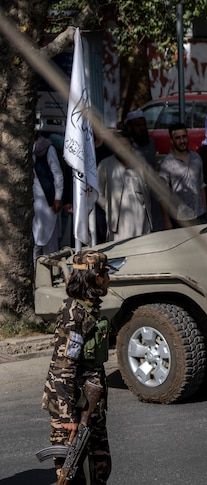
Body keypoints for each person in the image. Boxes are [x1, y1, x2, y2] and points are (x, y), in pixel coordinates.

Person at [42, 250, 113, 484]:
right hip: (72, 407)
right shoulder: (74, 314)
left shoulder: (89, 308)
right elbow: (63, 368)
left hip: (89, 405)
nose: (109, 279)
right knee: (70, 473)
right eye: (105, 274)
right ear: (93, 277)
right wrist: (68, 416)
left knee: (101, 467)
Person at [97, 137, 153, 241]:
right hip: (118, 221)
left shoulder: (140, 164)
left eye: (126, 145)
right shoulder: (105, 164)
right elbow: (97, 192)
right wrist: (108, 206)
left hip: (140, 217)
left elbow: (148, 186)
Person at [159, 123, 207, 228]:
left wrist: (205, 210)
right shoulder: (167, 163)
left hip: (200, 215)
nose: (182, 141)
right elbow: (163, 195)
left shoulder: (196, 158)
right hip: (180, 219)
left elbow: (201, 186)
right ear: (172, 140)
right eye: (178, 138)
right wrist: (167, 221)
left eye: (184, 137)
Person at [123, 110, 163, 231]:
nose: (142, 128)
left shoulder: (150, 143)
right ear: (130, 127)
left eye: (143, 125)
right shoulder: (127, 146)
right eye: (137, 125)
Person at [32, 131, 63, 262]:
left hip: (48, 201)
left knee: (50, 242)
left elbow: (58, 174)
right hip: (33, 202)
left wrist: (58, 197)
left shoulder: (47, 148)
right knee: (33, 242)